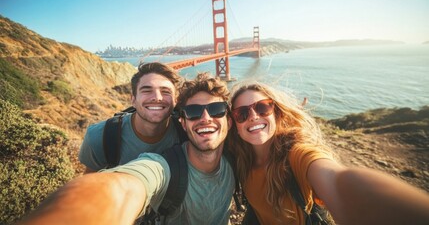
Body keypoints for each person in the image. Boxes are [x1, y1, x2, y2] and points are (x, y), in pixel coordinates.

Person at [17, 72, 235, 225]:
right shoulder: (161, 164)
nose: (206, 118)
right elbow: (125, 187)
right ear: (183, 121)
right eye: (195, 112)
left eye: (216, 110)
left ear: (230, 120)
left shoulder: (236, 157)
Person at [227, 81, 429, 225]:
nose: (253, 117)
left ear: (277, 113)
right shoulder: (239, 159)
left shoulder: (297, 155)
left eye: (262, 108)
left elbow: (337, 179)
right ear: (234, 124)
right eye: (242, 113)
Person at [79, 62, 184, 173]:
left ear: (175, 101)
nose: (157, 98)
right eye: (147, 91)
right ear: (133, 100)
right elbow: (90, 184)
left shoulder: (187, 134)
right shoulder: (99, 137)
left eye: (165, 91)